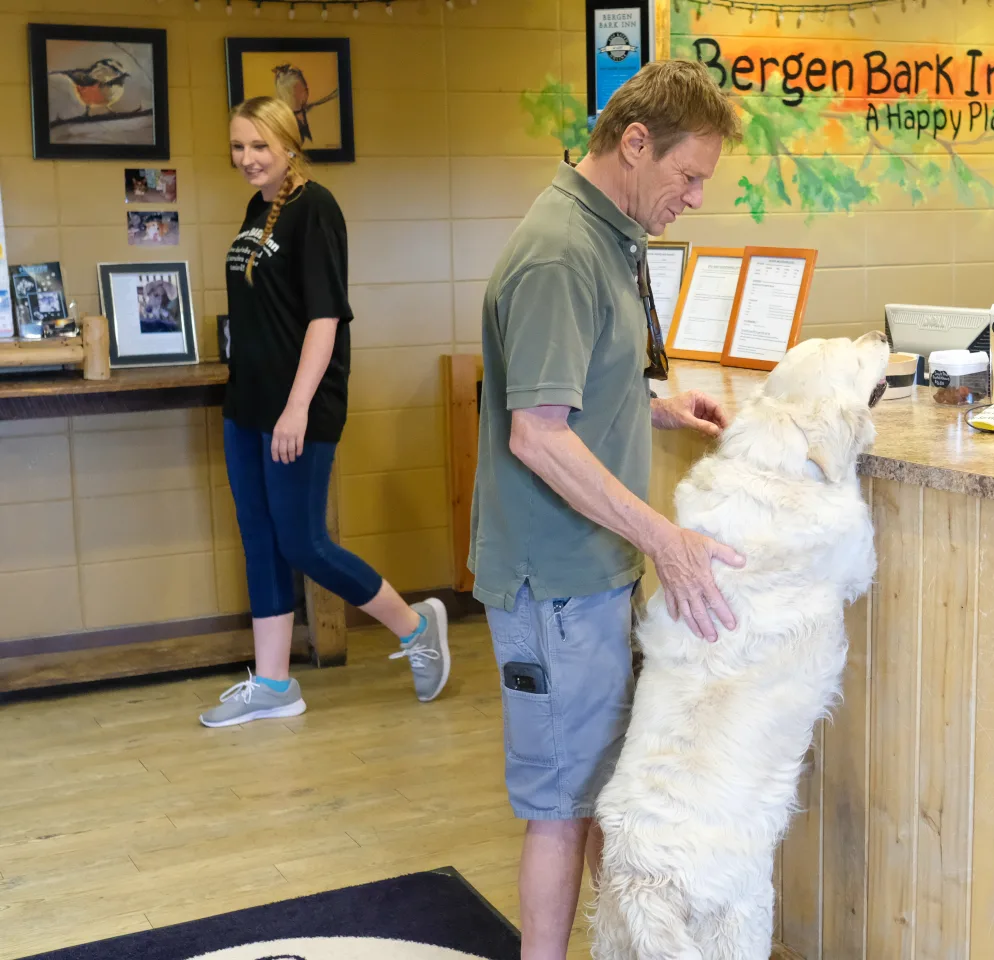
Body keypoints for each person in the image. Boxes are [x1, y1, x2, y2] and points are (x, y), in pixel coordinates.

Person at [468, 60, 744, 960]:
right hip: (554, 580)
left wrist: (661, 408)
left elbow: (577, 391)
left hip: (590, 570)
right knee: (560, 810)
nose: (696, 197)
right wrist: (666, 538)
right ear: (634, 144)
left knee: (595, 796)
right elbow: (537, 435)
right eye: (689, 175)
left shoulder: (605, 234)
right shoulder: (559, 250)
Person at [200, 96, 450, 728]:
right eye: (238, 146)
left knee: (303, 542)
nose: (248, 158)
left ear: (289, 144)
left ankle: (416, 625)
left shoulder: (316, 208)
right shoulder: (258, 208)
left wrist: (296, 409)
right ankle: (276, 684)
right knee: (261, 540)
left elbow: (325, 317)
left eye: (260, 145)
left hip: (298, 407)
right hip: (248, 403)